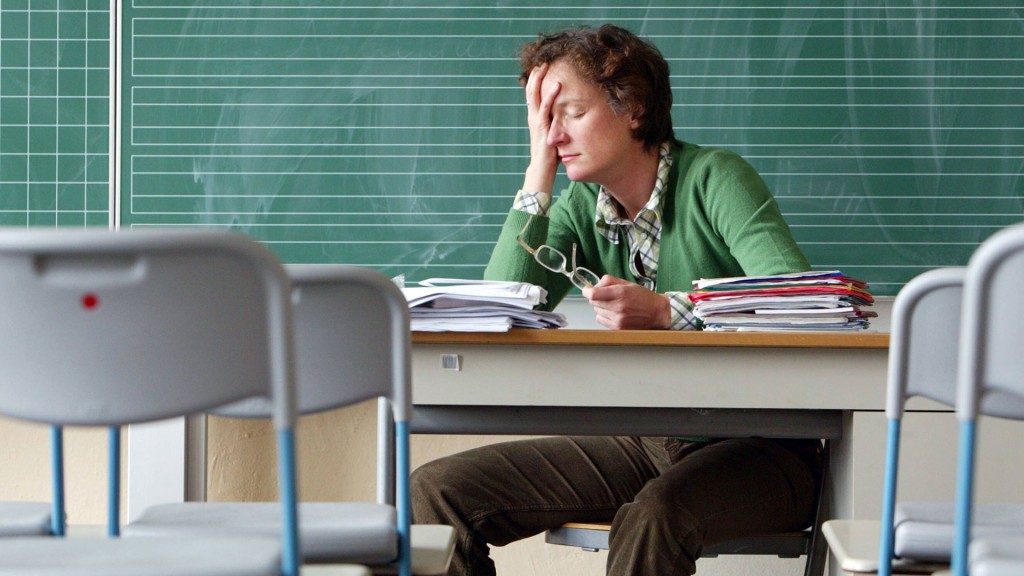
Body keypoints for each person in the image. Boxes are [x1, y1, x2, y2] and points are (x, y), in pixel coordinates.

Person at [411, 24, 821, 576]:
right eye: (542, 118)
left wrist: (668, 313)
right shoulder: (582, 204)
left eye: (569, 113)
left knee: (654, 515)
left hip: (766, 450)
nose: (554, 134)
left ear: (632, 109)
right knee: (436, 493)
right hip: (649, 442)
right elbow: (501, 305)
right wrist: (539, 170)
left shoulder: (717, 179)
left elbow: (794, 304)